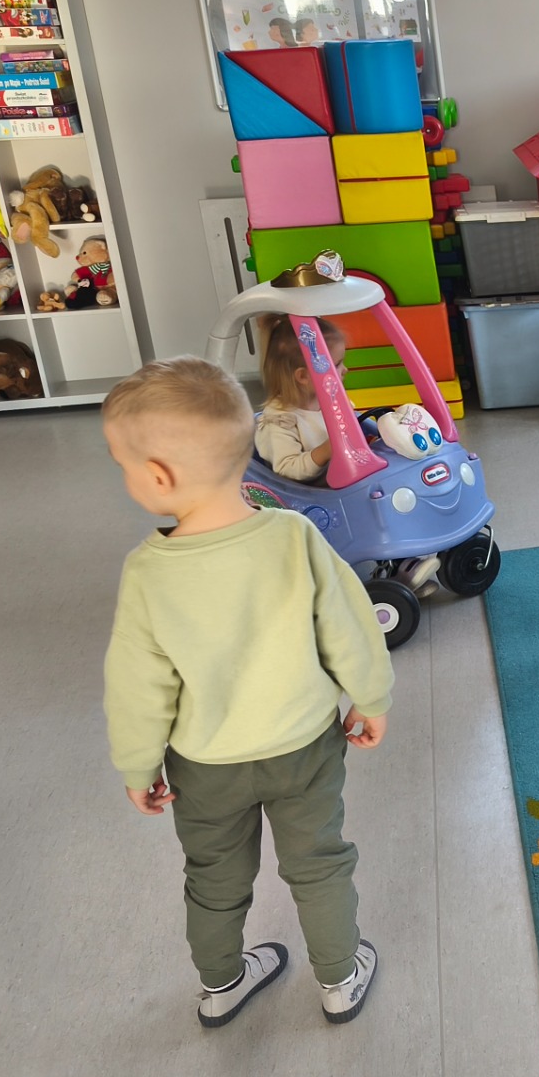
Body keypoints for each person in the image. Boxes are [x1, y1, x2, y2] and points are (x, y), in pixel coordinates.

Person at [100, 357, 393, 1029]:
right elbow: (348, 627)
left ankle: (222, 985)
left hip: (206, 766)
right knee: (318, 863)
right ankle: (339, 979)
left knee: (213, 877)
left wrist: (137, 766)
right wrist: (371, 698)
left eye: (122, 465)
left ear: (159, 477)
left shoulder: (148, 572)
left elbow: (138, 684)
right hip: (304, 746)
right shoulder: (293, 536)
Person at [254, 315, 345, 483]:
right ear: (303, 376)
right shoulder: (280, 420)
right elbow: (286, 469)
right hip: (309, 492)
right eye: (337, 365)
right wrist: (326, 451)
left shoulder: (329, 398)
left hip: (341, 480)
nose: (345, 370)